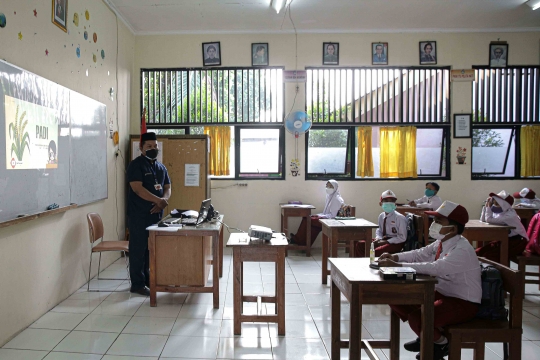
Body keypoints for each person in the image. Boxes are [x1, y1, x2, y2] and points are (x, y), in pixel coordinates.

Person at [378, 201, 481, 360]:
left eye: (439, 221)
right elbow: (419, 254)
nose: (434, 224)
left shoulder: (462, 249)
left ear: (452, 228)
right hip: (442, 294)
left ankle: (440, 343)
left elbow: (436, 268)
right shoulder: (443, 242)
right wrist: (395, 256)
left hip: (462, 303)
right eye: (435, 220)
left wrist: (398, 265)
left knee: (419, 318)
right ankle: (426, 336)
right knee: (396, 297)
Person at [127, 132, 171, 296]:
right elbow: (137, 189)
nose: (153, 149)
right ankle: (137, 284)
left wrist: (163, 201)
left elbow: (167, 187)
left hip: (155, 215)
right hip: (139, 215)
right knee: (138, 249)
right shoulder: (136, 165)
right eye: (149, 146)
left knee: (149, 250)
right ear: (141, 148)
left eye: (155, 146)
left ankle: (146, 279)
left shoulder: (160, 167)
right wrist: (158, 200)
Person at [476, 190, 528, 263]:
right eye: (493, 203)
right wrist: (487, 205)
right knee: (479, 252)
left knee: (489, 255)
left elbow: (488, 219)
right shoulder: (500, 213)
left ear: (504, 205)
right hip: (504, 240)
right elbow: (483, 220)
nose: (493, 205)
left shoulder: (509, 216)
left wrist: (488, 207)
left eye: (496, 204)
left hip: (517, 242)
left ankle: (499, 273)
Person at [290, 180, 344, 246]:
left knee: (308, 220)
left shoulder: (336, 199)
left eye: (330, 186)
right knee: (307, 218)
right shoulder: (329, 197)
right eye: (327, 186)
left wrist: (320, 217)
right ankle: (301, 241)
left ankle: (299, 241)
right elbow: (325, 213)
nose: (328, 188)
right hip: (326, 218)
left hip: (331, 221)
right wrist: (317, 215)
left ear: (335, 188)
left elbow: (333, 216)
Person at [355, 190, 407, 257]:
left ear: (395, 204)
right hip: (383, 239)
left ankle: (372, 263)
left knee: (374, 251)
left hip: (395, 243)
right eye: (386, 201)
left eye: (392, 201)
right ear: (380, 203)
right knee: (360, 244)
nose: (389, 203)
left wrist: (386, 242)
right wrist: (378, 239)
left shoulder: (399, 218)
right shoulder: (381, 216)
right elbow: (379, 230)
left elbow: (402, 237)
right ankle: (363, 263)